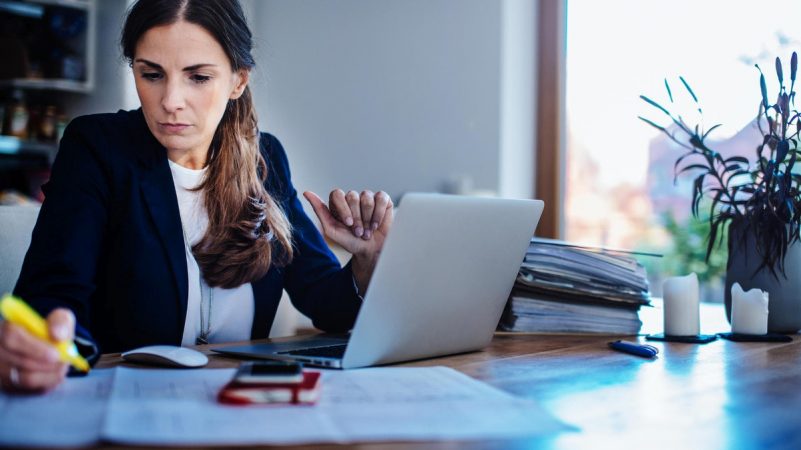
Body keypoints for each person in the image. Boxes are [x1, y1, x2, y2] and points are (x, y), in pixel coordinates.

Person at [0, 0, 393, 393]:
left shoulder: (264, 158)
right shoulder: (97, 148)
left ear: (238, 81)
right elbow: (52, 293)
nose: (171, 101)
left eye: (198, 77)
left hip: (237, 403)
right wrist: (49, 343)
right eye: (151, 74)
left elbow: (325, 301)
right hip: (127, 399)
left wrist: (368, 263)